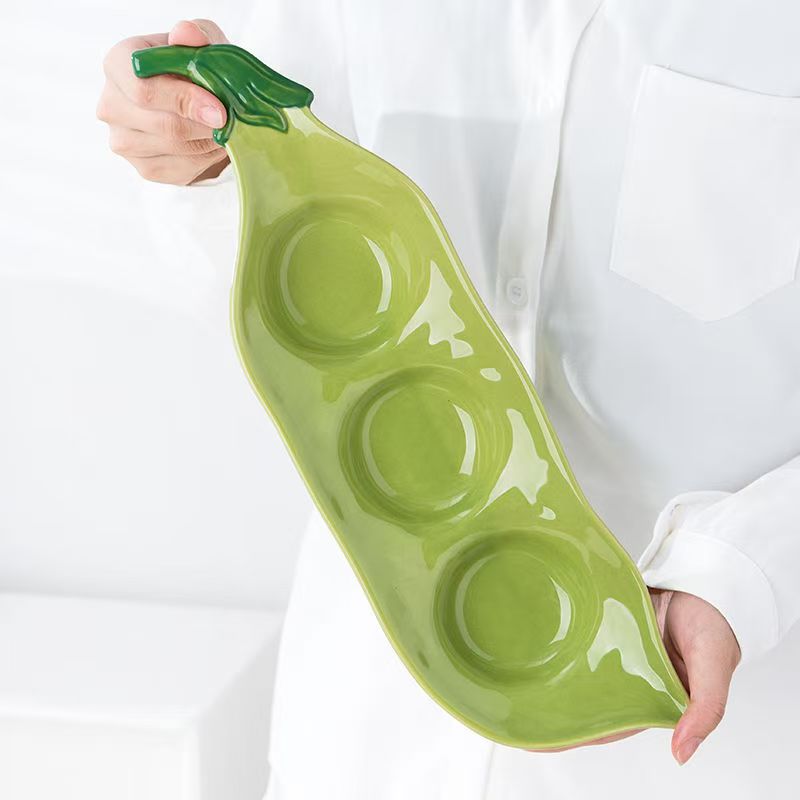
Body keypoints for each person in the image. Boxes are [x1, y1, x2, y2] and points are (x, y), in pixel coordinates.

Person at [97, 4, 800, 798]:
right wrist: (197, 160)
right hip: (367, 738)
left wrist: (744, 572)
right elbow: (267, 294)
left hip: (707, 738)